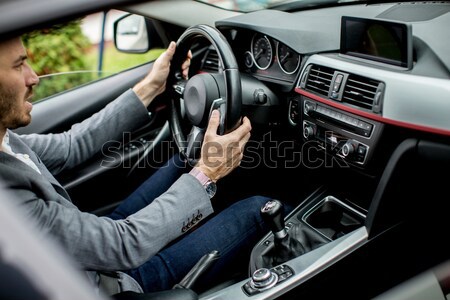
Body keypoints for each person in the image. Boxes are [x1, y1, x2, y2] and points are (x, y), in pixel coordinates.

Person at [0, 36, 272, 295]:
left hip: (93, 249)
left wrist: (152, 85)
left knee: (184, 160)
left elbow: (72, 144)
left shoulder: (6, 140)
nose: (33, 77)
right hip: (110, 283)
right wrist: (208, 172)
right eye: (18, 65)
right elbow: (121, 245)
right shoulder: (8, 197)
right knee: (260, 209)